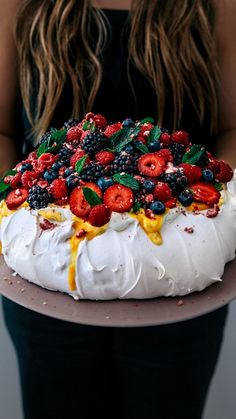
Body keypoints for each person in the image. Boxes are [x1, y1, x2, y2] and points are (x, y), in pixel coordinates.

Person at [0, 1, 236, 418]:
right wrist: (17, 218)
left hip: (180, 268)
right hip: (46, 267)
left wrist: (221, 201)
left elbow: (232, 129)